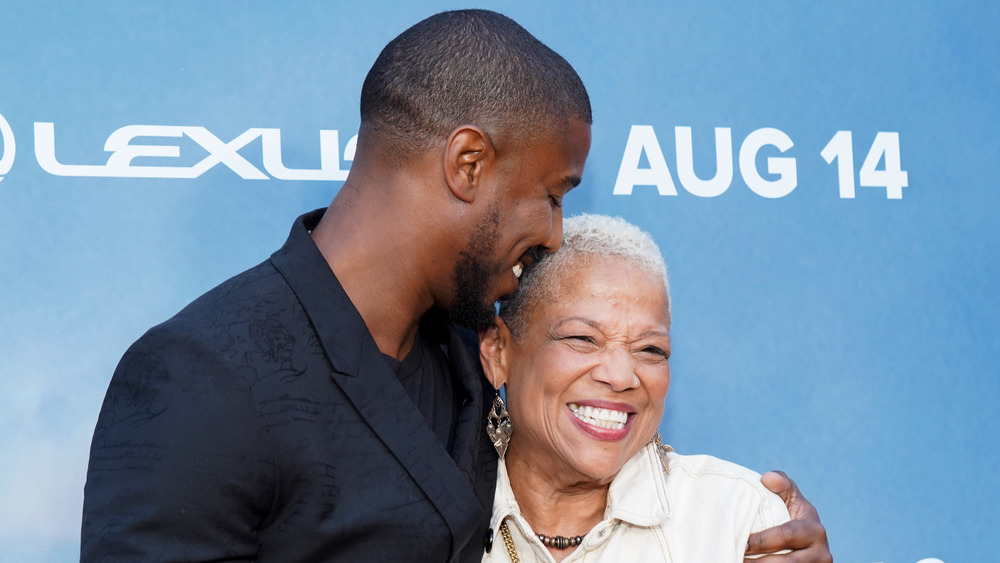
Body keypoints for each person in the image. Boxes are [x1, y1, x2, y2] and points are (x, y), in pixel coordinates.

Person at [81, 9, 829, 563]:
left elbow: (593, 486)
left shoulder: (475, 356)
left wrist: (766, 534)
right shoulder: (202, 377)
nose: (555, 235)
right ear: (467, 164)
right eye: (553, 192)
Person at [477, 214, 823, 562]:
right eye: (583, 338)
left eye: (650, 350)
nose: (621, 376)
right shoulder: (436, 513)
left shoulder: (740, 521)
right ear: (497, 351)